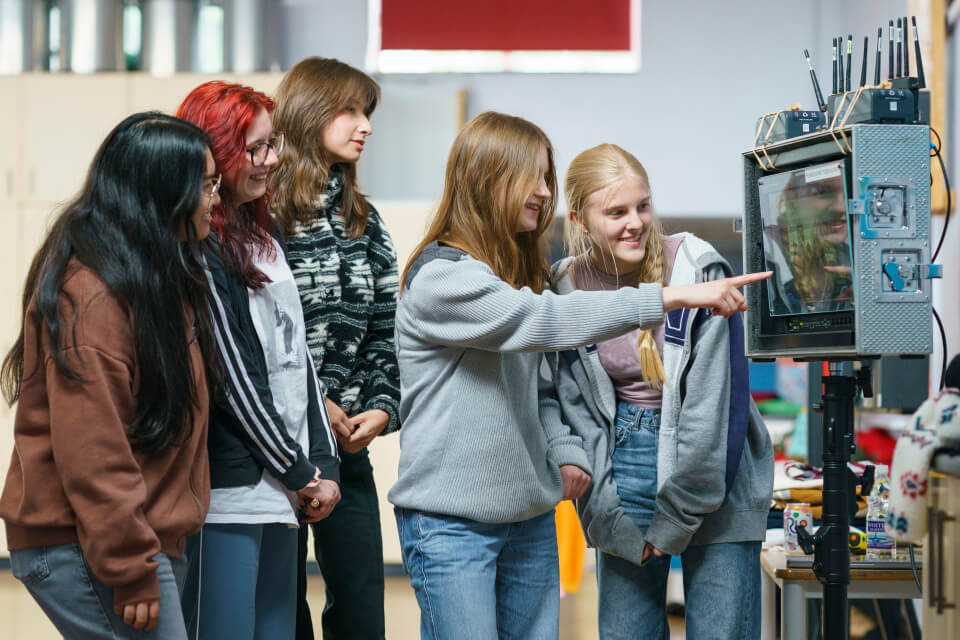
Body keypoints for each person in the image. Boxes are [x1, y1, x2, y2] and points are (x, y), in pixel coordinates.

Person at [389, 112, 770, 640]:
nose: (542, 191)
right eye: (534, 178)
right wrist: (668, 299)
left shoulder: (521, 274)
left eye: (642, 206)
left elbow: (540, 387)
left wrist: (566, 452)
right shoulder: (450, 280)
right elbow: (546, 329)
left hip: (534, 514)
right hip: (460, 521)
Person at [0, 111, 223, 638]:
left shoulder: (156, 279)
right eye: (207, 185)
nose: (216, 197)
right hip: (90, 541)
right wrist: (131, 567)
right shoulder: (96, 295)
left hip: (134, 536)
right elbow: (93, 451)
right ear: (163, 193)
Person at [552, 143, 774, 640]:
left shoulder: (698, 269)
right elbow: (578, 410)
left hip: (717, 468)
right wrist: (605, 510)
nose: (636, 222)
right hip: (622, 464)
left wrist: (674, 518)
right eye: (616, 212)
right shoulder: (565, 286)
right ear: (580, 219)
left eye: (643, 206)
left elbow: (715, 412)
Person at [176, 81, 341, 640]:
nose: (273, 160)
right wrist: (298, 469)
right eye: (257, 149)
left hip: (286, 485)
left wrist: (322, 461)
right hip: (234, 489)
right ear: (217, 153)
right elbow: (233, 377)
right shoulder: (199, 245)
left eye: (274, 145)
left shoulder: (264, 232)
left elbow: (297, 360)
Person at [270, 57, 399, 640]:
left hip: (347, 447)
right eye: (348, 110)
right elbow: (255, 342)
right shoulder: (262, 216)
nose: (363, 125)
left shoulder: (363, 222)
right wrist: (313, 400)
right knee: (280, 614)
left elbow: (384, 330)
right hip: (272, 449)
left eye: (365, 112)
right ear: (307, 113)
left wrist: (382, 405)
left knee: (362, 612)